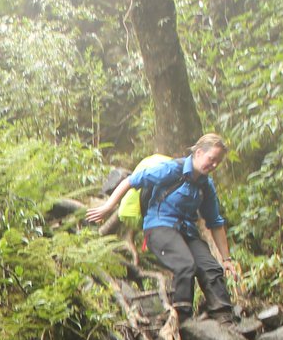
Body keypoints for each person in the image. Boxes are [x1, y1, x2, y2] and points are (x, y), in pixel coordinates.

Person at [85, 133, 236, 321]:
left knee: (211, 267)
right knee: (185, 264)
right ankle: (181, 317)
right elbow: (131, 181)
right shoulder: (172, 169)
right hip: (159, 227)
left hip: (187, 231)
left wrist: (226, 259)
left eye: (217, 163)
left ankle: (224, 317)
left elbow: (215, 223)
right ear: (198, 153)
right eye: (211, 159)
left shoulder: (206, 185)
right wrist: (108, 207)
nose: (213, 165)